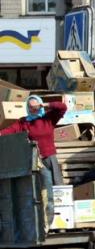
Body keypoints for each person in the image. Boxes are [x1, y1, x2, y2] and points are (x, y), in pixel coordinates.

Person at [0, 95, 68, 224]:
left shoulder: (48, 118)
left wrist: (45, 106)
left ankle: (61, 218)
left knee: (58, 186)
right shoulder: (24, 122)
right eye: (30, 107)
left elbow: (62, 107)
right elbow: (11, 130)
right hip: (37, 160)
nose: (33, 109)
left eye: (35, 106)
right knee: (46, 188)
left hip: (50, 158)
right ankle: (48, 221)